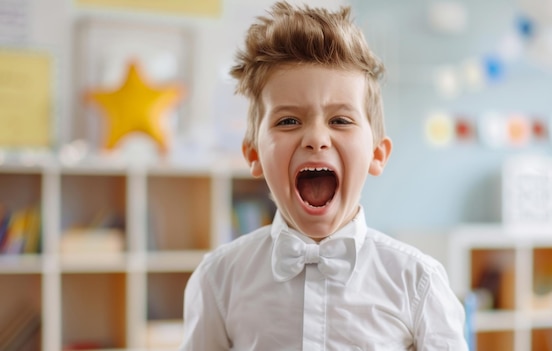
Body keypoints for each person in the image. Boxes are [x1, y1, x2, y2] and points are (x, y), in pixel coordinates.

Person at [180, 2, 468, 350]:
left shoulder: (419, 282)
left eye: (340, 120)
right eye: (288, 121)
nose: (316, 138)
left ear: (377, 155)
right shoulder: (218, 280)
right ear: (254, 155)